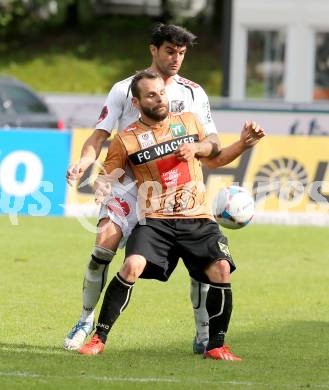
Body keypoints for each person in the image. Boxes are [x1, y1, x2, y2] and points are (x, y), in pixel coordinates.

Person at [64, 23, 260, 353]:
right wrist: (85, 163)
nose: (176, 59)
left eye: (181, 53)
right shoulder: (124, 89)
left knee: (202, 261)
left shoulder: (194, 93)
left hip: (177, 184)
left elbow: (212, 143)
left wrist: (199, 149)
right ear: (153, 50)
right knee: (103, 249)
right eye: (170, 51)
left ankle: (203, 333)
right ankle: (86, 319)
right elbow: (99, 135)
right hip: (128, 181)